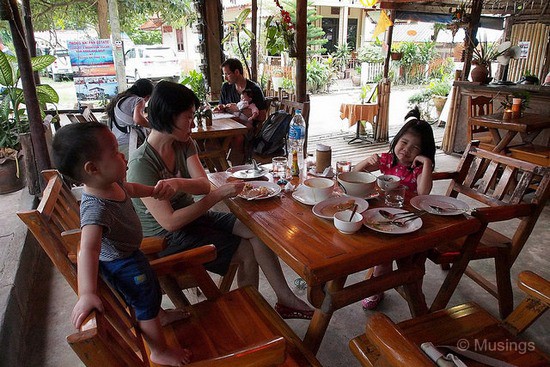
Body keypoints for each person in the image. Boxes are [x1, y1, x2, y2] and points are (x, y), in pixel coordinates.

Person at [126, 81, 313, 320]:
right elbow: (170, 222)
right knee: (246, 250)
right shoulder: (142, 164)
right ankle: (250, 316)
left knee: (258, 228)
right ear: (167, 116)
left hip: (194, 219)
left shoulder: (184, 143)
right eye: (188, 117)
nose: (193, 123)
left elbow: (203, 184)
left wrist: (180, 183)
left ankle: (284, 298)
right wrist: (218, 195)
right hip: (165, 241)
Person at [52, 122, 192, 366]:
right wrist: (86, 293)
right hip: (121, 264)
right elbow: (88, 248)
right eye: (116, 152)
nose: (123, 155)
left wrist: (152, 191)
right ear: (93, 168)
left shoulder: (110, 183)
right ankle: (159, 351)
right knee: (143, 301)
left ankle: (160, 315)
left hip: (131, 254)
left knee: (150, 291)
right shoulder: (95, 208)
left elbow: (131, 189)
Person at [353, 106, 436, 310]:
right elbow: (356, 172)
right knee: (379, 251)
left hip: (409, 219)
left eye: (414, 148)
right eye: (404, 142)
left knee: (401, 258)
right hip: (384, 216)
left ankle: (401, 289)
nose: (406, 150)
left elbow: (424, 193)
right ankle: (379, 287)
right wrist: (367, 160)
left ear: (422, 152)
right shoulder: (388, 160)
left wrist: (426, 164)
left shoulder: (418, 168)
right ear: (396, 140)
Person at [213, 58, 267, 163]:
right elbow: (221, 106)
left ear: (237, 72)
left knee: (238, 138)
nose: (225, 78)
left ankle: (236, 172)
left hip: (247, 129)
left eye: (227, 74)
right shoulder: (226, 88)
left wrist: (239, 110)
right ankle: (222, 170)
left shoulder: (254, 89)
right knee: (210, 143)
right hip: (227, 127)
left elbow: (262, 116)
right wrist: (220, 108)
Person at [105, 78, 153, 158]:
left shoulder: (121, 99)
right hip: (129, 145)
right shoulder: (139, 100)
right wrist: (154, 126)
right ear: (147, 96)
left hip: (117, 142)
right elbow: (138, 120)